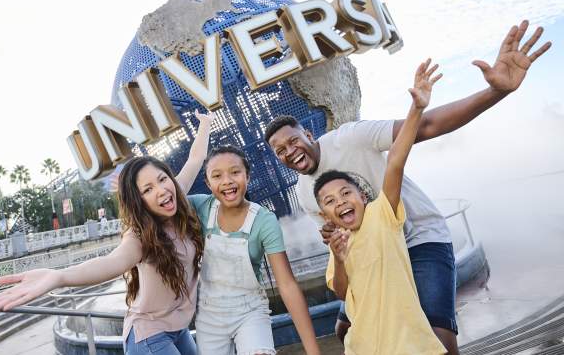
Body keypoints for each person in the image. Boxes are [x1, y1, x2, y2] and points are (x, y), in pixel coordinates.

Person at [264, 21, 551, 354]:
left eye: (293, 141)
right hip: (379, 254)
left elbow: (423, 128)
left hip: (419, 239)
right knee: (346, 328)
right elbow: (343, 243)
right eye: (280, 150)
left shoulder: (352, 138)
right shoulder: (303, 193)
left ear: (309, 136)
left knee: (437, 334)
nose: (290, 151)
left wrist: (496, 92)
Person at [0, 111, 215, 355]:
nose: (161, 190)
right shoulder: (140, 235)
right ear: (138, 201)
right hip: (150, 335)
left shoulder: (178, 197)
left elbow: (195, 159)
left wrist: (205, 123)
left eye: (163, 179)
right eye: (148, 189)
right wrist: (59, 276)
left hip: (178, 328)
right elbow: (112, 262)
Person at [316, 60, 446, 354]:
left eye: (346, 192)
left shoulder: (382, 215)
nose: (341, 202)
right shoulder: (337, 244)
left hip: (411, 346)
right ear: (326, 215)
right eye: (330, 201)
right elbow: (340, 291)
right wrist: (338, 257)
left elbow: (396, 160)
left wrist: (417, 109)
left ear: (363, 196)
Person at [188, 145, 321, 355]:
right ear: (207, 183)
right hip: (209, 315)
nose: (227, 181)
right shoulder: (199, 207)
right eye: (217, 175)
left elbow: (287, 285)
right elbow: (162, 200)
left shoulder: (264, 221)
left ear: (247, 176)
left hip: (249, 311)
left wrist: (314, 352)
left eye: (235, 172)